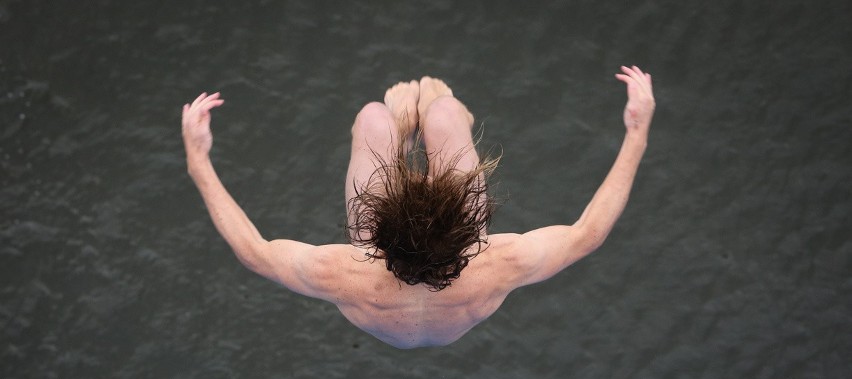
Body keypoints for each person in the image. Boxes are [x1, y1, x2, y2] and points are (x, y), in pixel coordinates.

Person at [181, 67, 655, 348]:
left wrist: (199, 160)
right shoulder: (497, 262)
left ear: (376, 237)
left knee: (374, 118)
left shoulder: (348, 273)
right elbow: (588, 232)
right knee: (445, 114)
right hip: (454, 270)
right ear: (466, 228)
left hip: (396, 273)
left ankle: (402, 122)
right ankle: (438, 110)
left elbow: (254, 250)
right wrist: (636, 131)